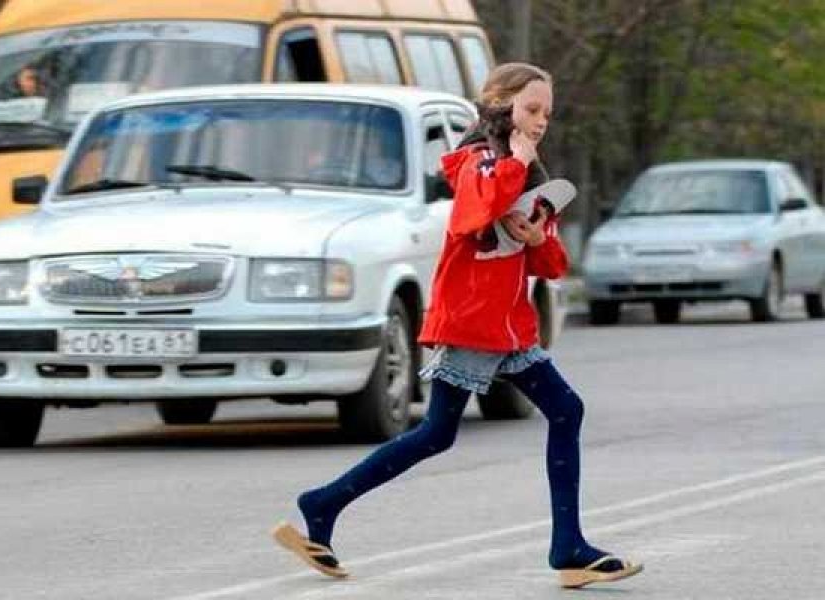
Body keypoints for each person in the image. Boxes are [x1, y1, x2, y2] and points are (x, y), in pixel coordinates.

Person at [272, 63, 643, 589]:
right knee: (437, 434)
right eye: (531, 110)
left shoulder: (531, 176)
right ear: (499, 104)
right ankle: (322, 504)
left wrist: (539, 240)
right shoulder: (478, 161)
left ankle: (568, 548)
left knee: (563, 411)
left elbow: (552, 266)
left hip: (511, 329)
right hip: (470, 324)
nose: (540, 122)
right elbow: (473, 214)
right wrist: (514, 163)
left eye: (547, 114)